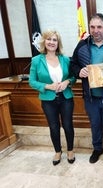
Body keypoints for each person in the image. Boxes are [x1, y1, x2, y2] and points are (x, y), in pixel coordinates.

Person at [70, 13, 103, 163]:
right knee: (95, 124)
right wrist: (79, 71)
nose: (96, 30)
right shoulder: (82, 45)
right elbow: (72, 64)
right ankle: (97, 148)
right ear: (89, 28)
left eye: (99, 27)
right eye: (92, 27)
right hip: (91, 97)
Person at [29, 29, 76, 166]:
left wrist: (67, 82)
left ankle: (70, 150)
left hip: (66, 97)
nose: (51, 42)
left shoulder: (65, 59)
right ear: (44, 41)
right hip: (48, 99)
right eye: (49, 39)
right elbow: (32, 81)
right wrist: (48, 86)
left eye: (54, 40)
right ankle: (57, 151)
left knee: (68, 125)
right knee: (54, 127)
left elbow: (73, 77)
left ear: (58, 43)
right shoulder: (36, 60)